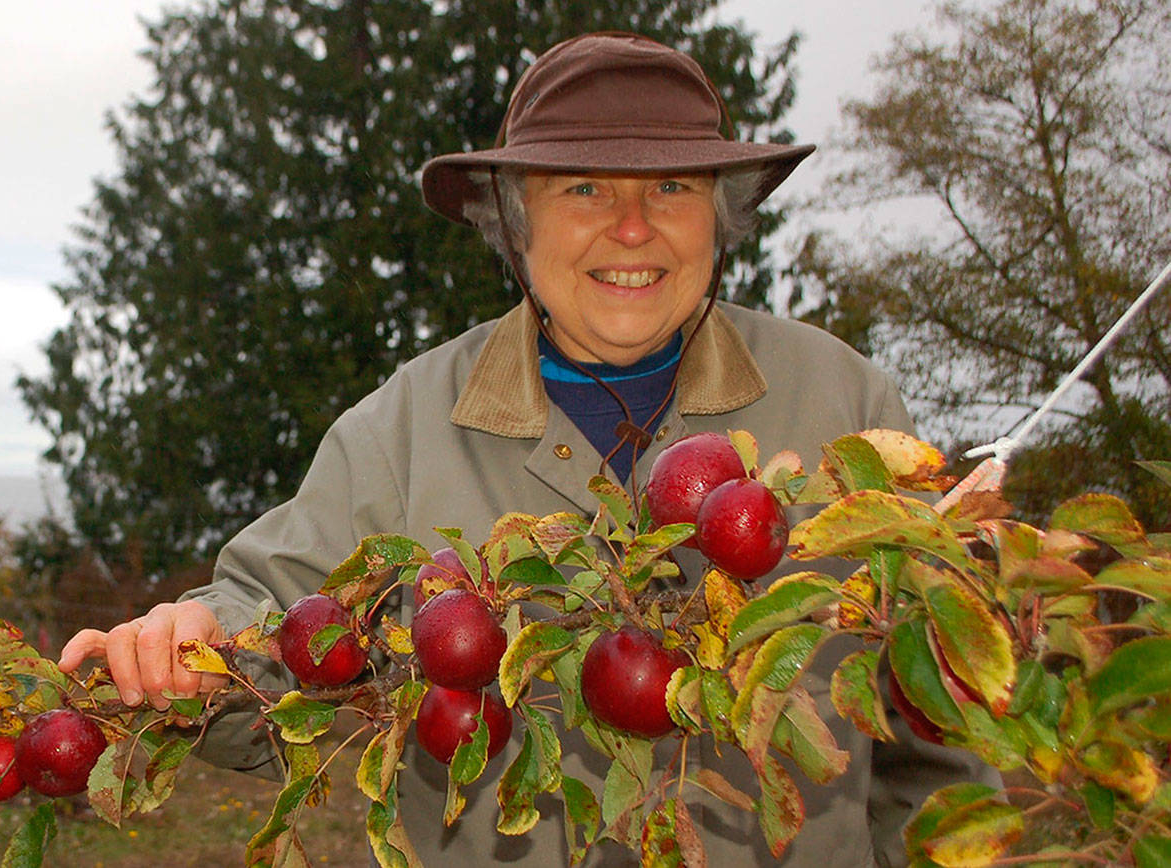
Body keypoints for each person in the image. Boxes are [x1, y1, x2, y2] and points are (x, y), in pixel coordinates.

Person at [59, 31, 985, 867]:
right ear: (515, 221)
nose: (634, 225)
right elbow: (269, 624)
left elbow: (936, 728)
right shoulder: (406, 430)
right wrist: (182, 653)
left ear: (720, 214)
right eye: (582, 187)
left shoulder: (844, 403)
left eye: (673, 186)